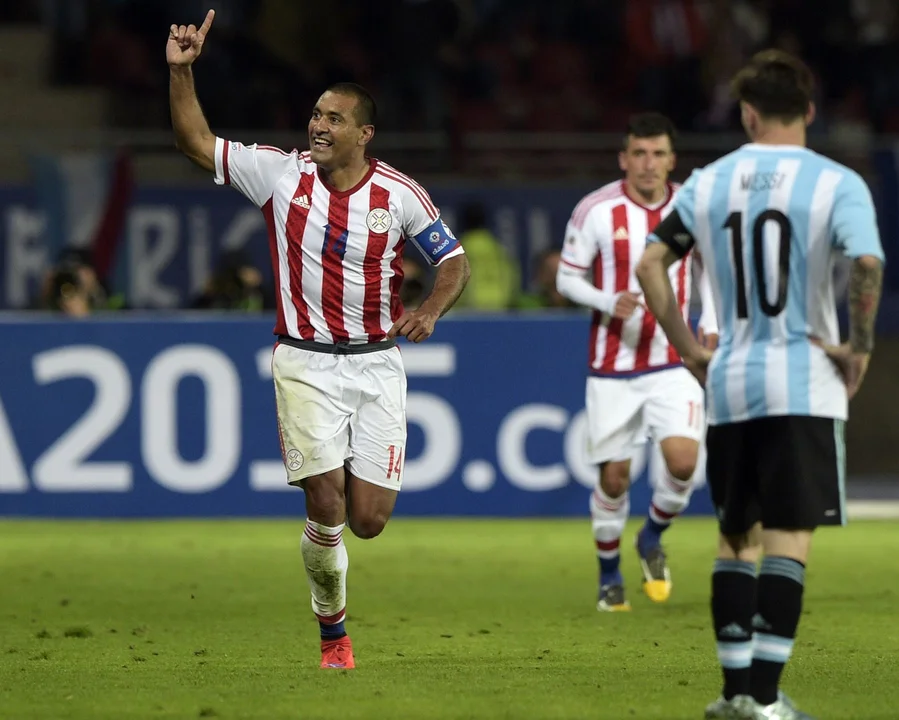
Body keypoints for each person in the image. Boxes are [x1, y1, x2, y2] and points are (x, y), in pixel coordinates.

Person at [167, 10, 471, 671]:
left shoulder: (398, 194)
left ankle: (333, 581)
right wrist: (181, 70)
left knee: (368, 520)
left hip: (375, 365)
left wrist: (430, 310)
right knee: (326, 500)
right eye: (314, 115)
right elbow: (196, 141)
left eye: (332, 119)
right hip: (303, 360)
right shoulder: (281, 175)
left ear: (363, 133)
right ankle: (333, 634)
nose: (317, 126)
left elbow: (454, 262)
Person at [635, 50, 884, 720]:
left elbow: (651, 260)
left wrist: (687, 347)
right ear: (807, 110)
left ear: (746, 114)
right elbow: (864, 261)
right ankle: (766, 701)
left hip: (733, 382)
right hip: (804, 380)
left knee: (734, 537)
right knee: (788, 537)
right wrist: (857, 349)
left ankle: (731, 694)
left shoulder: (709, 182)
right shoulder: (837, 182)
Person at [556, 112, 719, 612]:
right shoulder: (596, 210)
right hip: (613, 367)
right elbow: (566, 278)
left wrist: (709, 321)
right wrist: (608, 301)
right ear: (624, 158)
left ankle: (651, 536)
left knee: (684, 464)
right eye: (639, 154)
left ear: (672, 160)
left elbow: (707, 270)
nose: (648, 164)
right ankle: (610, 579)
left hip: (676, 359)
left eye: (659, 154)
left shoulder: (691, 206)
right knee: (614, 479)